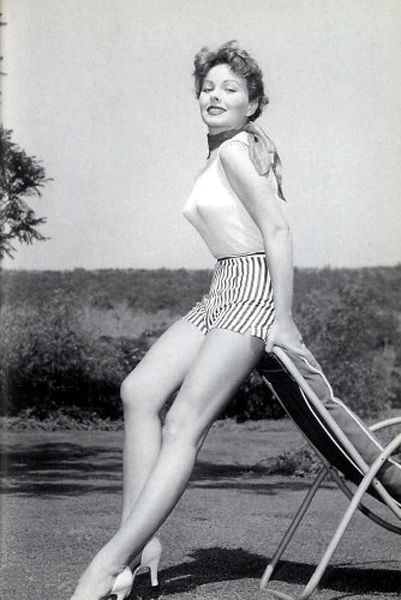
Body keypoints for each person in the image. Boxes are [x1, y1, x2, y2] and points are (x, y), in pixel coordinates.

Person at [70, 41, 401, 600]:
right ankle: (140, 544)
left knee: (183, 423)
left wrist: (285, 319)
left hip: (251, 288)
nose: (213, 95)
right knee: (139, 390)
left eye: (230, 89)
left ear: (254, 103)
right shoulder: (227, 150)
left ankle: (108, 563)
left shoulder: (234, 152)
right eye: (207, 88)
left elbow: (277, 230)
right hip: (221, 287)